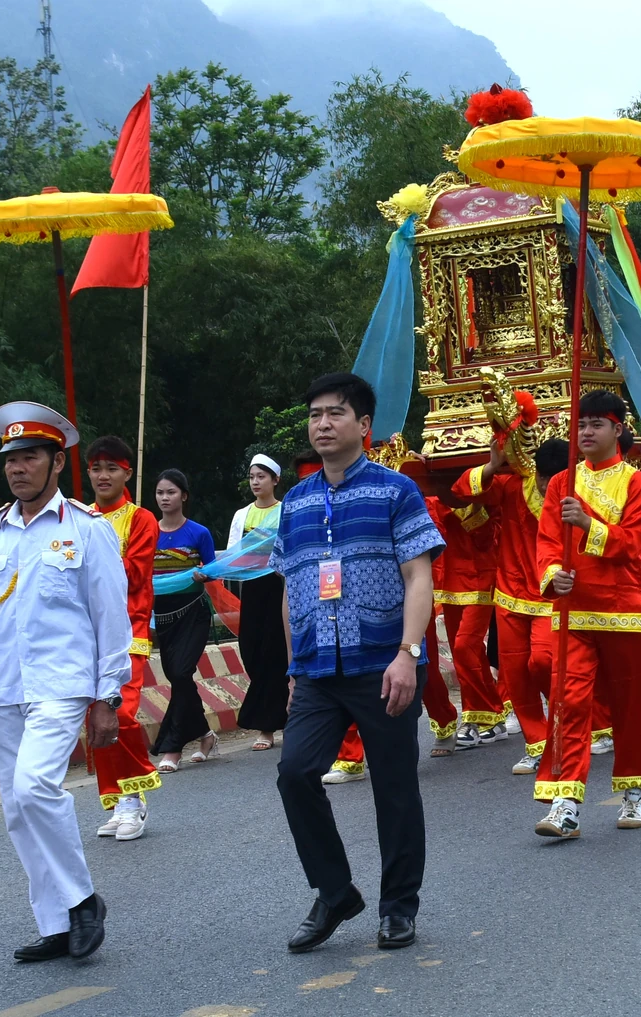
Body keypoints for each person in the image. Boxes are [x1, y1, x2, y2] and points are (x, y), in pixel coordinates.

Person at [0, 401, 126, 962]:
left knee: (35, 787)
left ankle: (84, 900)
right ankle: (57, 924)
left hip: (63, 686)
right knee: (18, 809)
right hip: (6, 688)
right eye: (11, 459)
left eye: (30, 457)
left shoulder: (87, 529)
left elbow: (111, 618)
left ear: (56, 463)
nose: (18, 468)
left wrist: (108, 695)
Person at [273, 372, 442, 954]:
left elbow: (420, 575)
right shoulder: (293, 503)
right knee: (295, 773)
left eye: (335, 414)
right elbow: (289, 590)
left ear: (364, 426)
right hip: (318, 670)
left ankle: (398, 907)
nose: (323, 423)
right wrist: (294, 670)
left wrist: (407, 653)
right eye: (315, 414)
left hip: (383, 663)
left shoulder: (396, 492)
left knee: (394, 788)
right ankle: (335, 891)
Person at [532, 390, 641, 838]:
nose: (585, 432)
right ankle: (565, 802)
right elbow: (546, 540)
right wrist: (552, 577)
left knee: (629, 705)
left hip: (621, 609)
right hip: (573, 611)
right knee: (568, 702)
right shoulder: (563, 483)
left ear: (617, 430)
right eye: (580, 424)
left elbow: (638, 548)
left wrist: (589, 526)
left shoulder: (635, 483)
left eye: (595, 424)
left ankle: (634, 792)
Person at [453, 435, 565, 775]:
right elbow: (461, 493)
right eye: (542, 476)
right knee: (514, 674)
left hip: (552, 594)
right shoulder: (515, 486)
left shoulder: (577, 497)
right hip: (510, 593)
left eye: (553, 478)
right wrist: (491, 464)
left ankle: (567, 723)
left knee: (544, 662)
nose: (546, 484)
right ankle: (538, 743)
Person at [81, 437, 162, 842]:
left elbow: (132, 575)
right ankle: (115, 800)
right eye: (96, 468)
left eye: (111, 468)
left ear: (127, 472)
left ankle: (135, 797)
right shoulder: (77, 518)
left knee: (122, 714)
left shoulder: (141, 518)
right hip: (86, 638)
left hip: (129, 632)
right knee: (95, 721)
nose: (103, 475)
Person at [148, 469, 220, 771]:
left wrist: (205, 573)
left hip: (192, 611)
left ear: (184, 496)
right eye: (161, 493)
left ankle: (172, 747)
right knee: (178, 677)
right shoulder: (148, 532)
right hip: (162, 614)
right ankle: (205, 734)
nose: (165, 498)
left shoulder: (198, 532)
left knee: (180, 673)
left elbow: (215, 568)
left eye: (171, 492)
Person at [426, 488, 503, 752]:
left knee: (465, 647)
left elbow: (487, 537)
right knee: (468, 652)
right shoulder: (432, 494)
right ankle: (494, 713)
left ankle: (475, 716)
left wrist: (466, 505)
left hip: (481, 575)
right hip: (448, 580)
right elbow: (432, 536)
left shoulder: (482, 487)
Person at [231, 454, 291, 751]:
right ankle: (278, 716)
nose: (256, 482)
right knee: (251, 650)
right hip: (251, 589)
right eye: (253, 477)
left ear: (275, 480)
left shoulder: (285, 511)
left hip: (278, 587)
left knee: (275, 653)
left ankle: (268, 727)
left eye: (262, 477)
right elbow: (233, 554)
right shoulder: (242, 515)